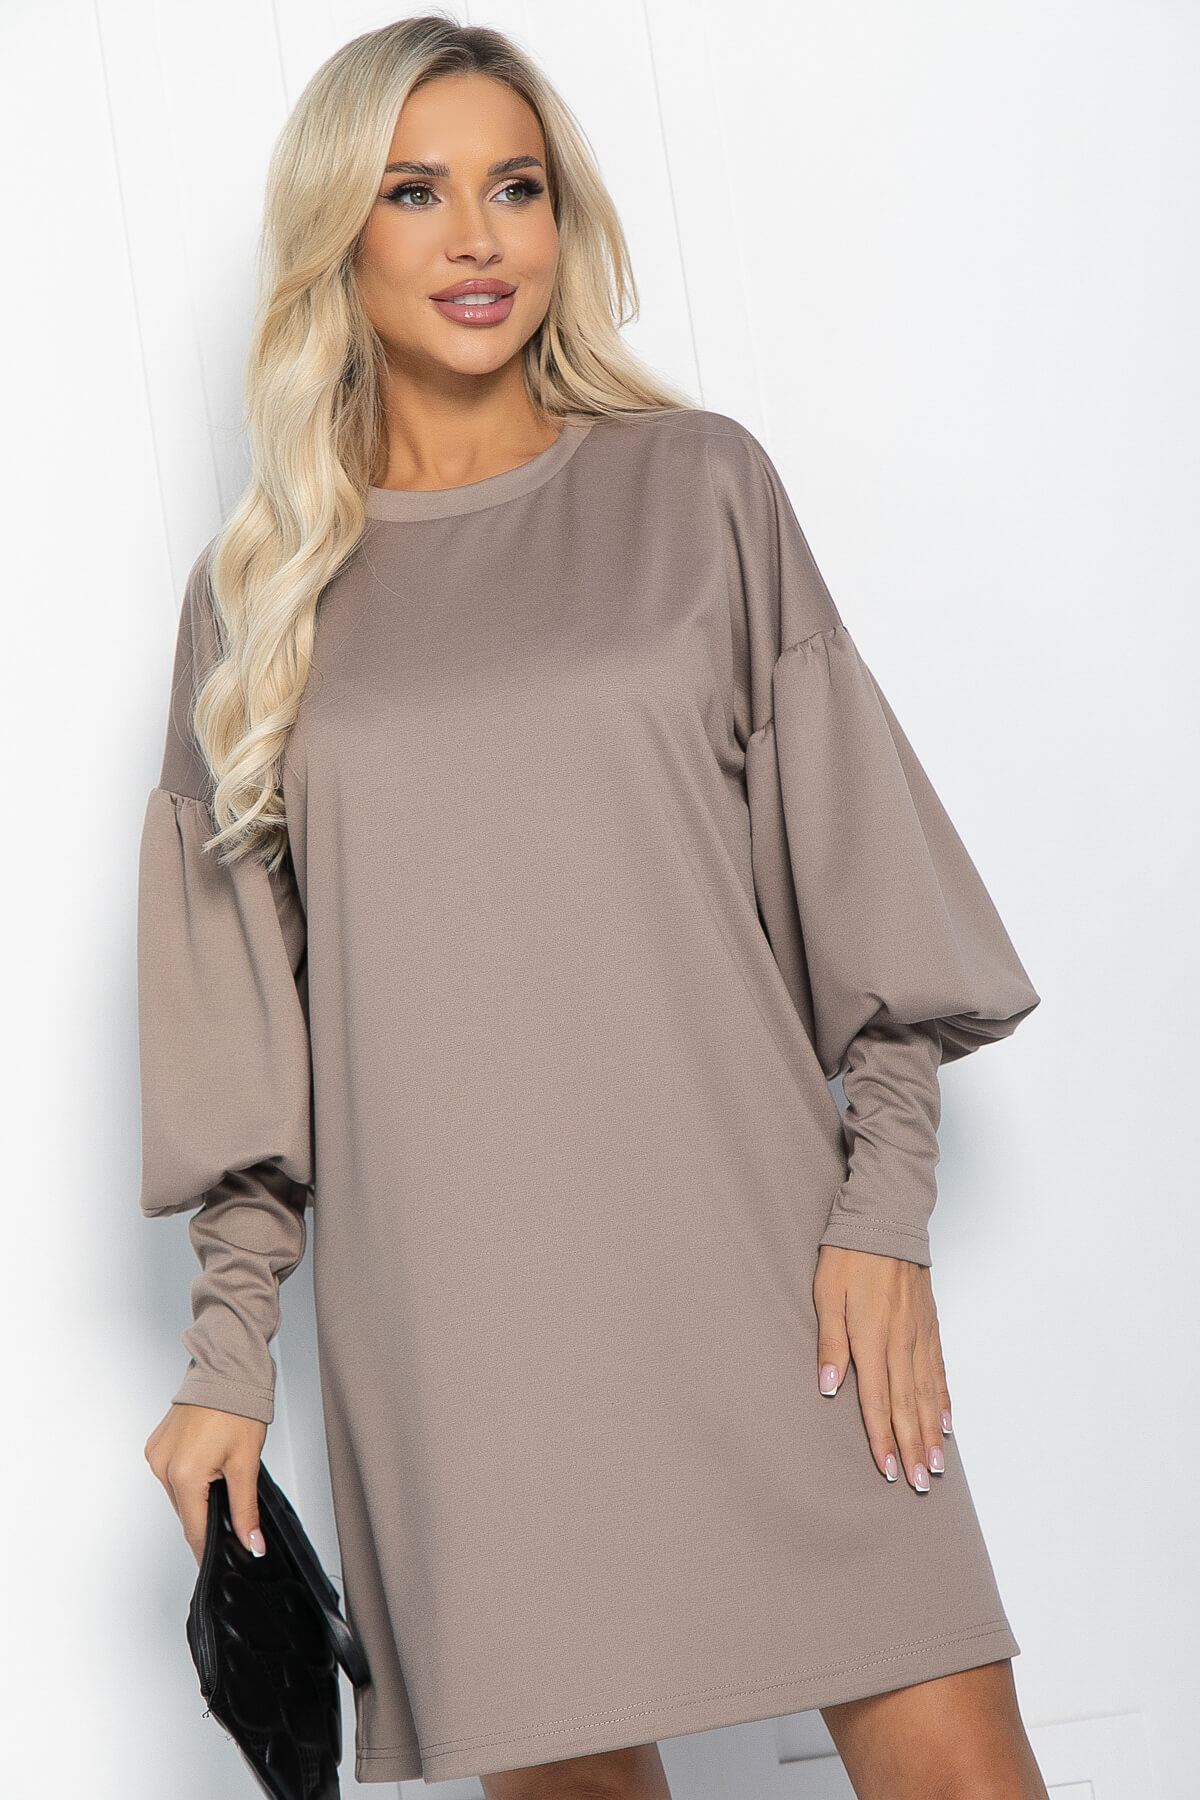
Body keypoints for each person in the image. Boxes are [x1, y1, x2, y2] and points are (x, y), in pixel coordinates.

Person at [138, 16, 1047, 1799]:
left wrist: (883, 1213)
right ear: (339, 234)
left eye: (518, 188)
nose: (478, 238)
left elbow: (866, 892)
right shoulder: (260, 598)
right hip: (466, 1339)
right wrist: (228, 1356)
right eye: (416, 192)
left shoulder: (699, 488)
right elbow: (249, 1029)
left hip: (777, 1283)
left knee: (960, 1763)